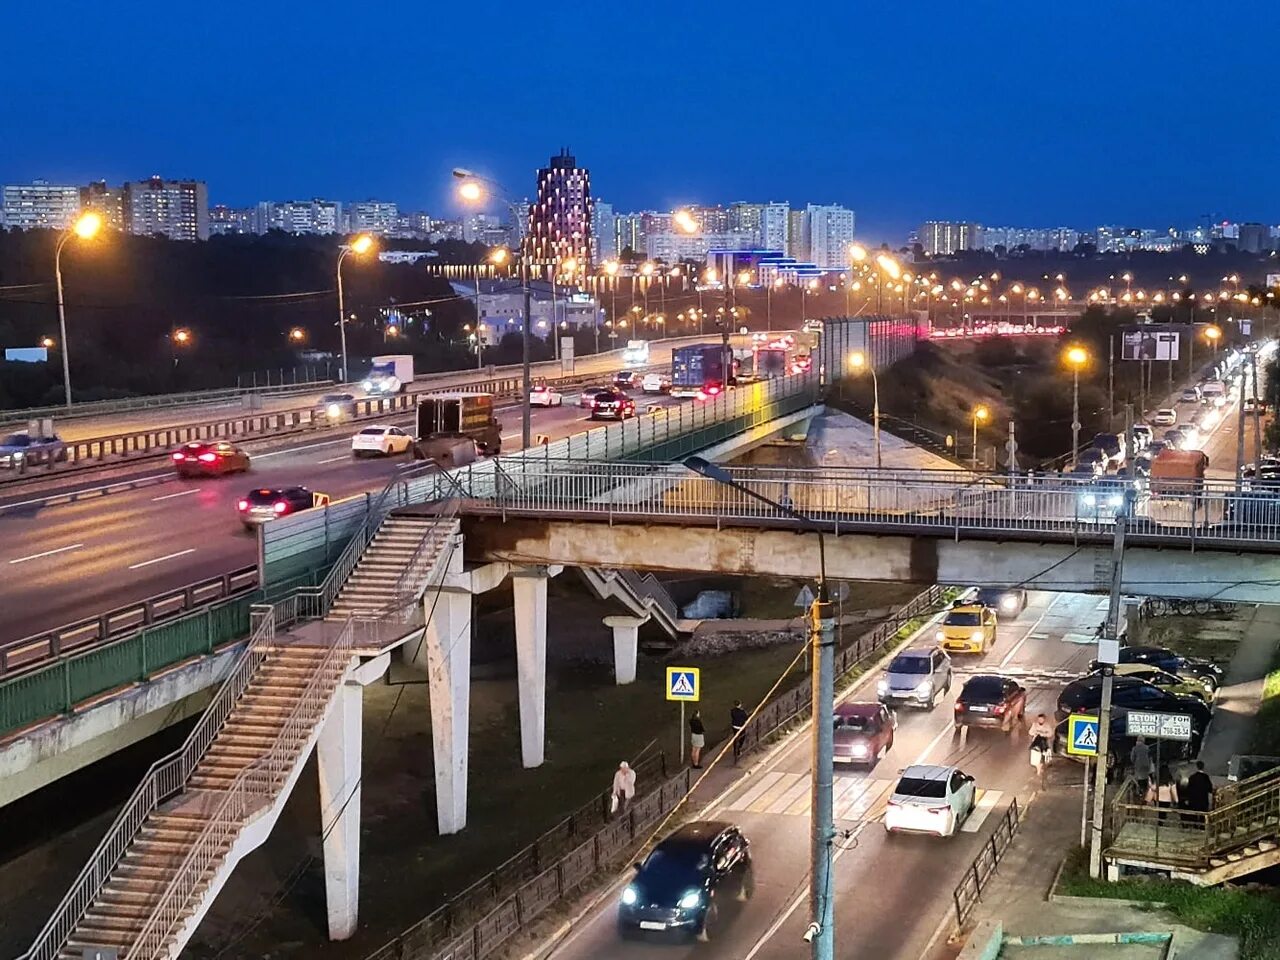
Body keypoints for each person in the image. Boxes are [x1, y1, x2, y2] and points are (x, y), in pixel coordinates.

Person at [1027, 713, 1055, 778]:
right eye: (1039, 719)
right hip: (1036, 743)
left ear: (1044, 720)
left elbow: (1051, 733)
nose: (1040, 721)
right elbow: (1030, 732)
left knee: (1044, 757)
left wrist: (1044, 734)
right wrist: (1036, 733)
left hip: (1044, 744)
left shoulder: (1047, 726)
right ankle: (1038, 769)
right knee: (1035, 758)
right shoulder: (1035, 725)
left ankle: (1041, 768)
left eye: (1041, 719)